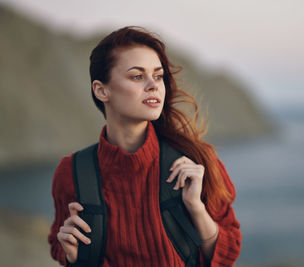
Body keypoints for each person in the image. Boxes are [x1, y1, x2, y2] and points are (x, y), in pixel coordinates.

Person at [47, 26, 242, 267]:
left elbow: (227, 253)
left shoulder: (196, 161)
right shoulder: (72, 173)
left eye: (158, 76)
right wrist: (73, 256)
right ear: (101, 90)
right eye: (137, 76)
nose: (153, 85)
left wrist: (196, 208)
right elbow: (61, 248)